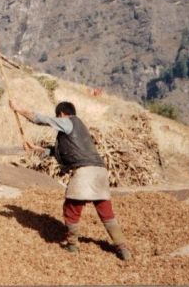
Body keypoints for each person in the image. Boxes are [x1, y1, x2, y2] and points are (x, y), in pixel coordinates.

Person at [10, 100, 132, 261]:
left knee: (71, 209)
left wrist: (19, 109)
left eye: (58, 117)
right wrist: (34, 149)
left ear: (61, 114)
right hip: (100, 172)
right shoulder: (77, 131)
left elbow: (42, 119)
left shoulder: (68, 122)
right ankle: (122, 247)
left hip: (84, 172)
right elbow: (57, 153)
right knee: (106, 212)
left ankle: (72, 244)